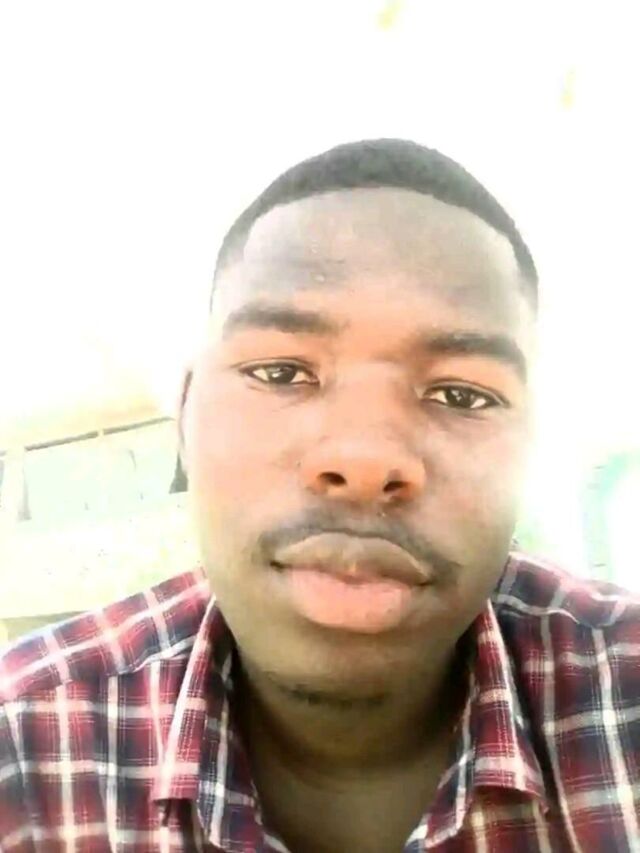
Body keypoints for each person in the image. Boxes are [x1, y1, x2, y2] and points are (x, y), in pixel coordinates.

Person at [1, 139, 639, 853]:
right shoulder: (21, 747)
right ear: (185, 416)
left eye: (461, 394)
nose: (364, 459)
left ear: (529, 445)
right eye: (280, 373)